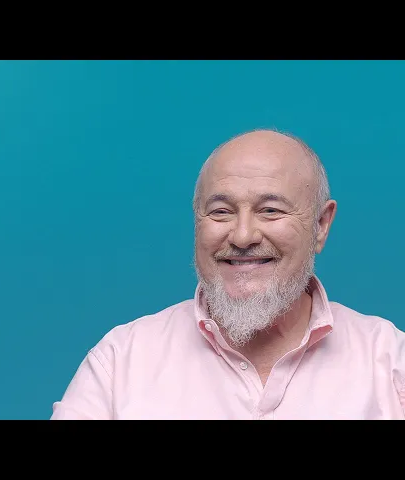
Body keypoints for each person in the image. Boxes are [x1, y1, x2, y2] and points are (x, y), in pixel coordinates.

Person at [50, 128, 405, 420]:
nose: (243, 236)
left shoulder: (391, 363)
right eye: (220, 211)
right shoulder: (120, 363)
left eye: (270, 210)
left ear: (321, 225)